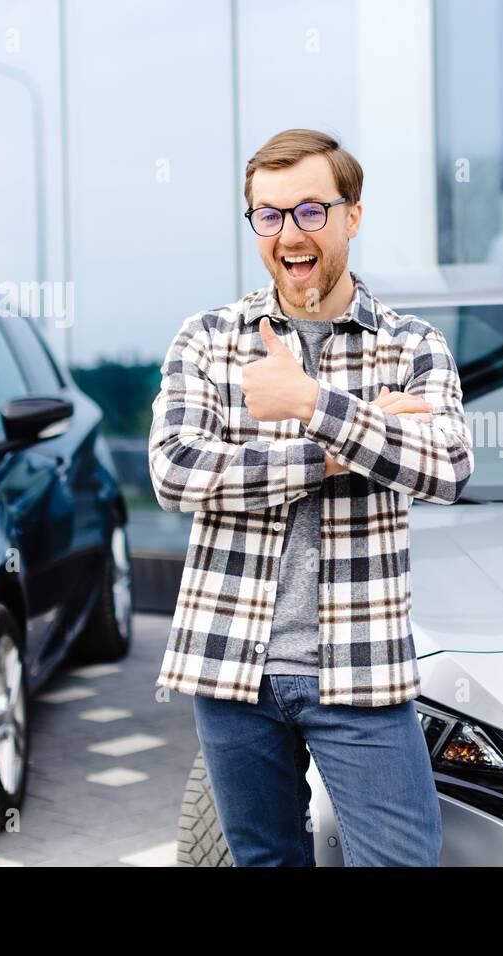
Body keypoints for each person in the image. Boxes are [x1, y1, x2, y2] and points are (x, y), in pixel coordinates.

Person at [149, 128, 474, 866]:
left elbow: (449, 466)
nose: (289, 233)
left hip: (358, 668)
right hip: (231, 662)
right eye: (269, 214)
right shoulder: (207, 339)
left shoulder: (413, 345)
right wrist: (347, 445)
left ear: (351, 217)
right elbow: (176, 471)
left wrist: (311, 400)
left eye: (310, 211)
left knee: (400, 859)